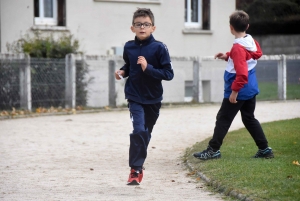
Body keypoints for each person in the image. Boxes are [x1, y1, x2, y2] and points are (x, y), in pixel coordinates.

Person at [193, 10, 274, 160]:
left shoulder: (238, 47)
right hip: (250, 87)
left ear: (231, 28)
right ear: (247, 26)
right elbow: (245, 57)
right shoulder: (250, 42)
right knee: (249, 118)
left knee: (223, 118)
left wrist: (234, 91)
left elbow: (241, 72)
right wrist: (227, 56)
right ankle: (265, 149)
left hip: (240, 89)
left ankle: (213, 150)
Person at [115, 8, 174, 185]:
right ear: (132, 28)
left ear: (153, 28)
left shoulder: (159, 48)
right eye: (138, 24)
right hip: (134, 96)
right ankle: (135, 170)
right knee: (138, 130)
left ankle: (138, 162)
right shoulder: (129, 47)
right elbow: (129, 64)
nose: (142, 27)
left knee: (145, 133)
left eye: (146, 24)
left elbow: (168, 74)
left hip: (153, 98)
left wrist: (148, 68)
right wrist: (122, 72)